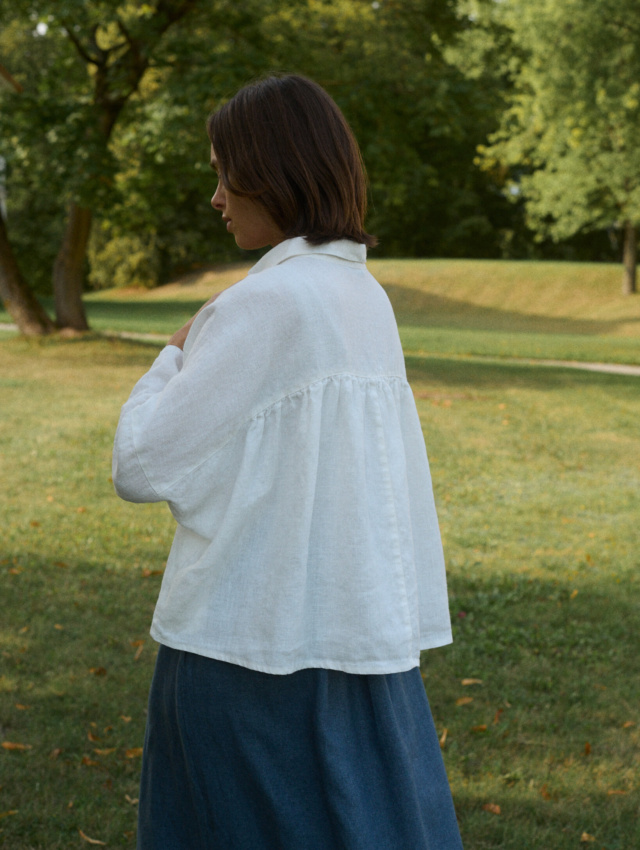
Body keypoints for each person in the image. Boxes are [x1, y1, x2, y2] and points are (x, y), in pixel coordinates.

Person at [113, 73, 463, 850]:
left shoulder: (261, 304)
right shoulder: (362, 297)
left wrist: (171, 356)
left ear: (272, 170)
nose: (216, 197)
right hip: (354, 638)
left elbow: (141, 465)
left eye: (223, 171)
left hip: (245, 651)